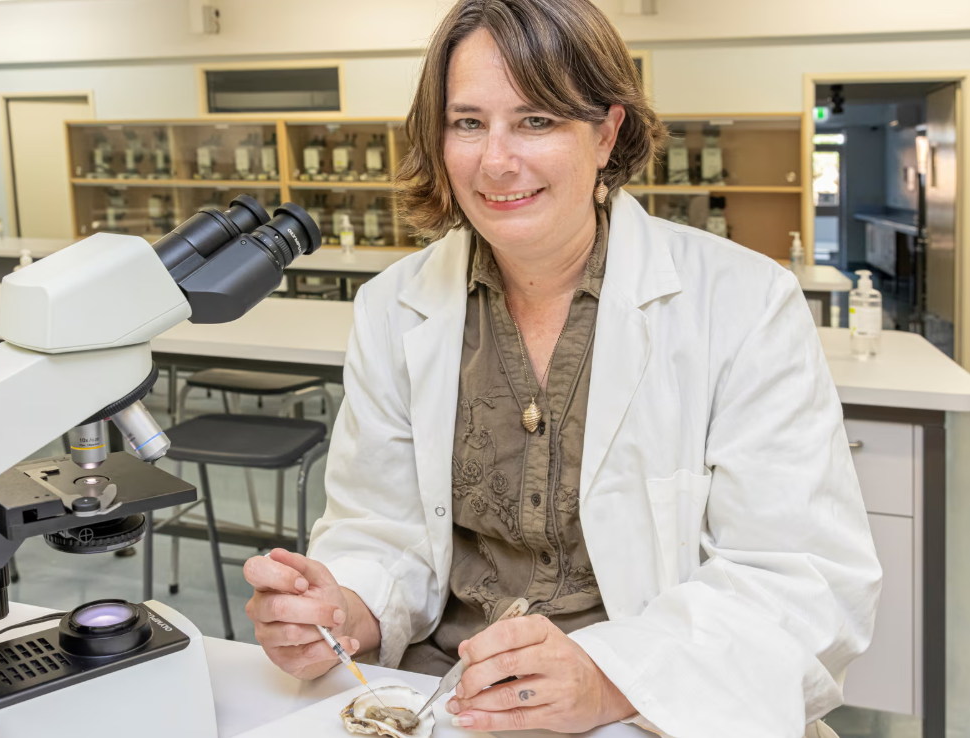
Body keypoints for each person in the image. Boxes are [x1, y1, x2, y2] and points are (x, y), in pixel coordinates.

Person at [244, 0, 881, 735]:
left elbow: (800, 580)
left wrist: (607, 676)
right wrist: (341, 609)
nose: (495, 160)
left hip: (657, 705)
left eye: (536, 120)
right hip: (444, 702)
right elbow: (379, 526)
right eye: (468, 122)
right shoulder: (396, 306)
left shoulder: (740, 302)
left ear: (605, 132)